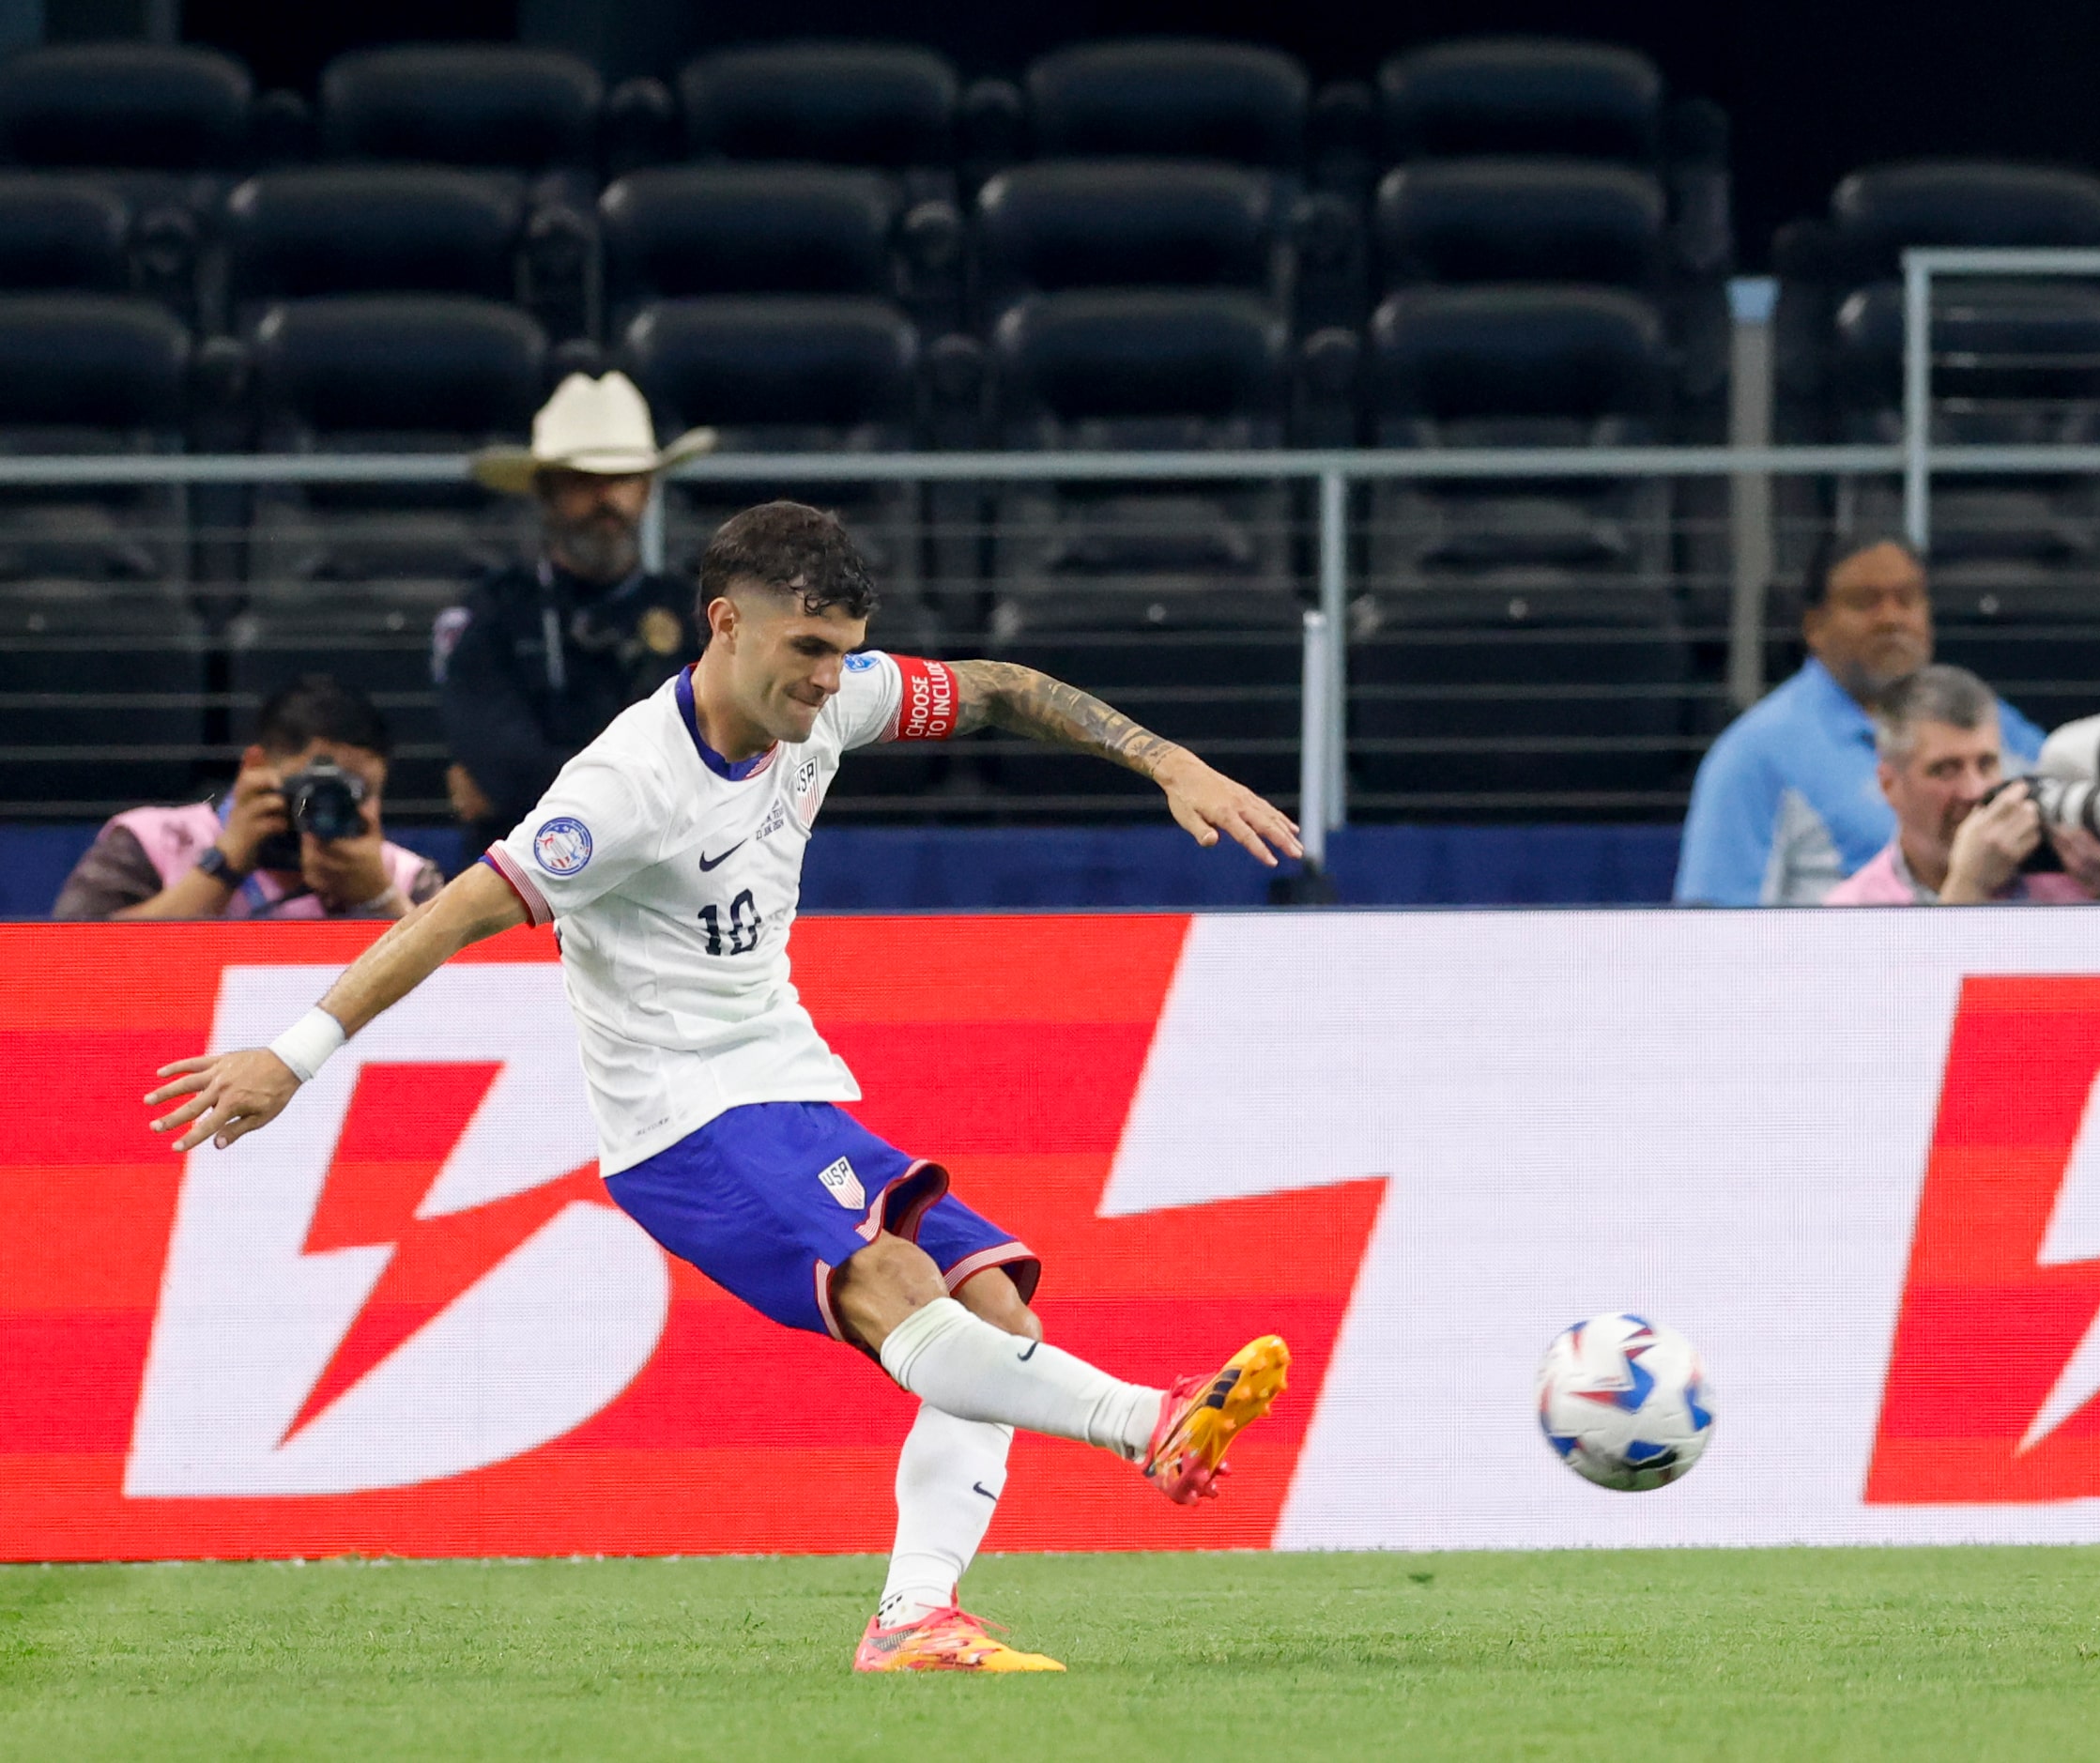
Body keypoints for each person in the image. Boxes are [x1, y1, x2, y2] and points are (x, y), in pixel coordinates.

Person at [146, 502, 1306, 1676]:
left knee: (995, 1306)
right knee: (898, 1282)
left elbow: (996, 686)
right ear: (725, 625)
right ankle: (1143, 1424)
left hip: (787, 1085)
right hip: (679, 1120)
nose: (828, 679)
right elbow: (452, 916)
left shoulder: (832, 696)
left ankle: (912, 1617)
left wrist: (1167, 758)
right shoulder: (622, 790)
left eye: (844, 648)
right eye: (806, 650)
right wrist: (290, 1056)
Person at [1673, 530, 2046, 905]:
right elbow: (1714, 930)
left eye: (1907, 598)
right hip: (1837, 959)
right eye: (1865, 602)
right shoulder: (1755, 753)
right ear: (1814, 626)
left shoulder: (1985, 720)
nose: (1891, 618)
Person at [438, 372, 715, 853]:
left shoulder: (698, 617)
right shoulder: (490, 617)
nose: (606, 498)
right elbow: (504, 771)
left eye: (623, 478)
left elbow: (713, 767)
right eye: (583, 481)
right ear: (546, 491)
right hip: (521, 889)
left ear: (649, 489)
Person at [54, 675, 442, 921]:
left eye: (359, 791)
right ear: (255, 765)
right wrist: (224, 866)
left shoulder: (404, 877)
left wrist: (379, 900)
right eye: (313, 785)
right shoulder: (152, 842)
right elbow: (68, 965)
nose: (328, 804)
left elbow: (468, 995)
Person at [1822, 664, 2100, 905]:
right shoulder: (1854, 912)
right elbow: (1926, 999)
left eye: (1986, 763)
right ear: (1890, 784)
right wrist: (1969, 885)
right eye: (1945, 770)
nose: (1975, 791)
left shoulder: (2068, 875)